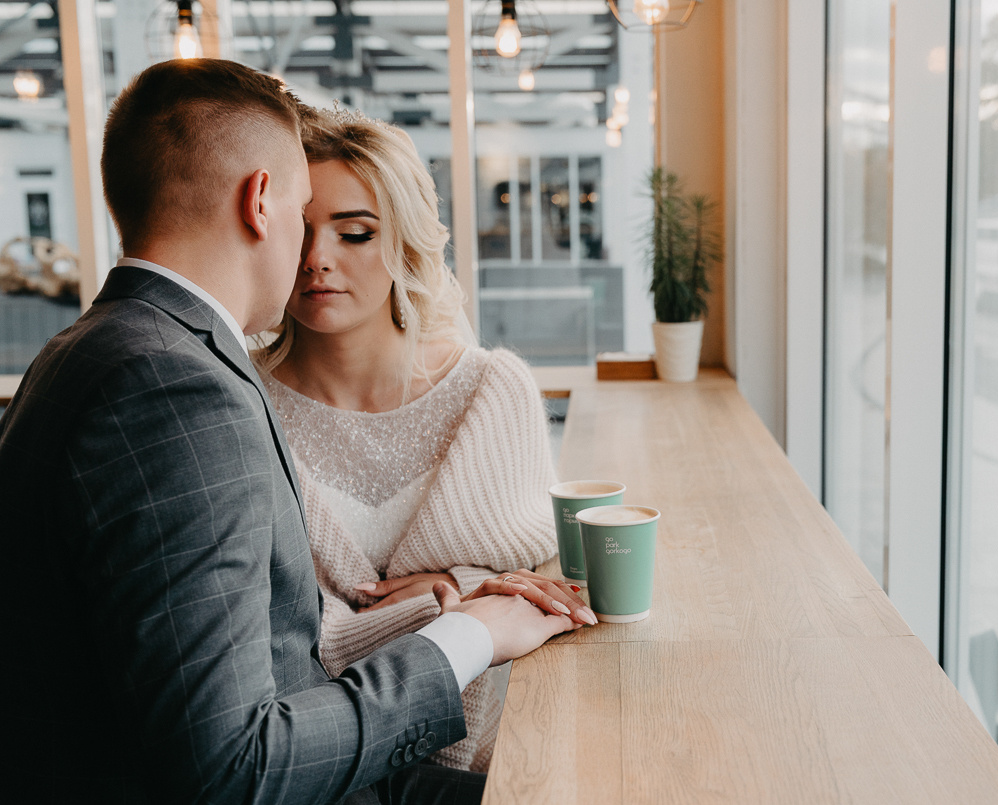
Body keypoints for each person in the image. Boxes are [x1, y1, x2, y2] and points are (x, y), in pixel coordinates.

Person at [0, 58, 588, 804]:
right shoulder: (177, 389)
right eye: (305, 210)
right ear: (262, 200)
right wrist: (472, 633)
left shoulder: (88, 350)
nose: (315, 257)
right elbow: (235, 768)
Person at [252, 107, 589, 773]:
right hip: (317, 764)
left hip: (497, 756)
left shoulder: (493, 392)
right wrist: (456, 607)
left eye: (354, 232)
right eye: (299, 231)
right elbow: (271, 637)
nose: (317, 260)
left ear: (404, 240)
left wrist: (460, 583)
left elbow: (538, 581)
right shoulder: (242, 405)